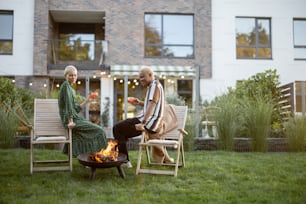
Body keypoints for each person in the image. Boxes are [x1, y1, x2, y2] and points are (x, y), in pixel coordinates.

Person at [113, 66, 173, 168]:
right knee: (121, 130)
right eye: (139, 77)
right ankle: (123, 159)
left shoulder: (154, 85)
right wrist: (139, 102)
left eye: (143, 77)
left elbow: (152, 105)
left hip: (148, 123)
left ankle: (124, 161)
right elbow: (152, 104)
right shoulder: (155, 86)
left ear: (150, 75)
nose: (141, 80)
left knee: (117, 129)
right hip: (148, 121)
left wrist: (143, 123)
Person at [58, 65, 107, 157]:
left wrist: (87, 100)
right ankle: (98, 155)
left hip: (74, 118)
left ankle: (90, 157)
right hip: (70, 120)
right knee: (99, 130)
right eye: (70, 75)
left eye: (75, 75)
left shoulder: (71, 88)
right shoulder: (65, 86)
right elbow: (68, 106)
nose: (73, 77)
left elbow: (75, 108)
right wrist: (70, 121)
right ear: (65, 76)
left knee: (86, 133)